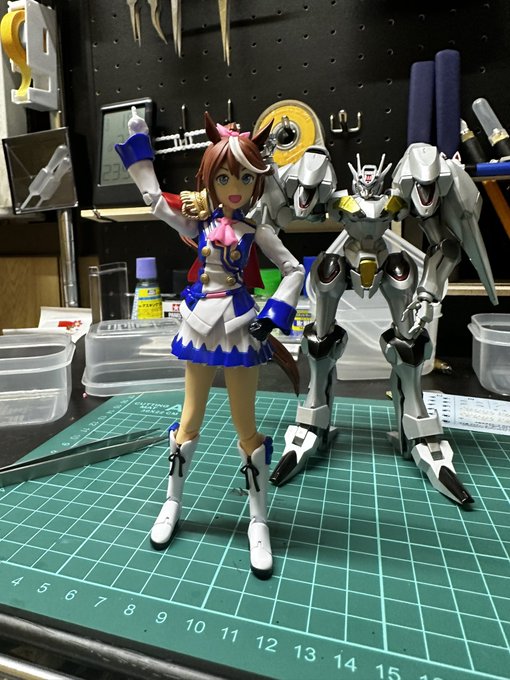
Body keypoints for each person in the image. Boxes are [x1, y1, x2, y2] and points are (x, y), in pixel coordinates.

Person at [115, 110, 304, 578]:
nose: (234, 187)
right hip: (199, 324)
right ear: (210, 181)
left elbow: (294, 270)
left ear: (256, 180)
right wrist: (140, 151)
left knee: (246, 425)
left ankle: (258, 519)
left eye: (244, 177)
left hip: (240, 327)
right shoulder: (198, 223)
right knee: (190, 417)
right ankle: (172, 502)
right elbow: (156, 202)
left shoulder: (257, 231)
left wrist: (273, 315)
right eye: (223, 177)